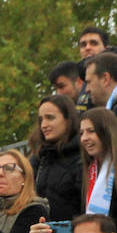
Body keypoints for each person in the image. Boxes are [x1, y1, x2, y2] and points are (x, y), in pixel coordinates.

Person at [31, 93, 84, 221]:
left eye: (50, 118)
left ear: (68, 119)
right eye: (41, 120)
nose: (43, 125)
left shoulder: (84, 157)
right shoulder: (38, 159)